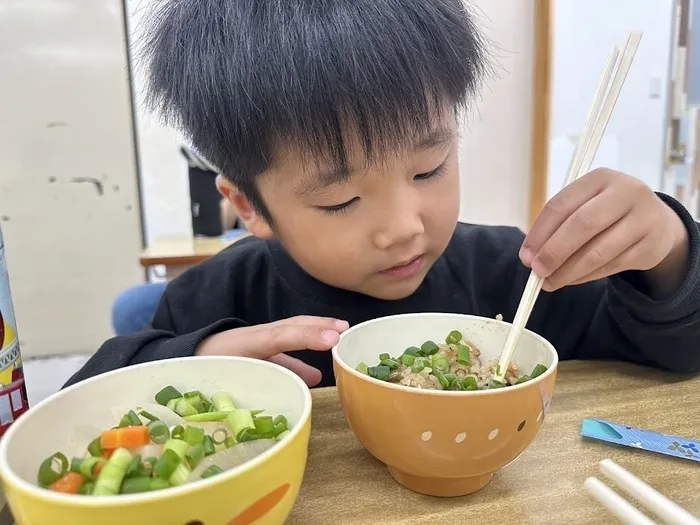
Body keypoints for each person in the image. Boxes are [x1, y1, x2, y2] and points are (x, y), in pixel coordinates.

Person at [67, 0, 700, 388]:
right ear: (251, 206)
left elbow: (671, 359)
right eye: (339, 200)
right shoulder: (215, 299)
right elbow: (88, 398)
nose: (403, 227)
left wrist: (668, 253)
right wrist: (193, 358)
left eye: (430, 169)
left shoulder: (514, 277)